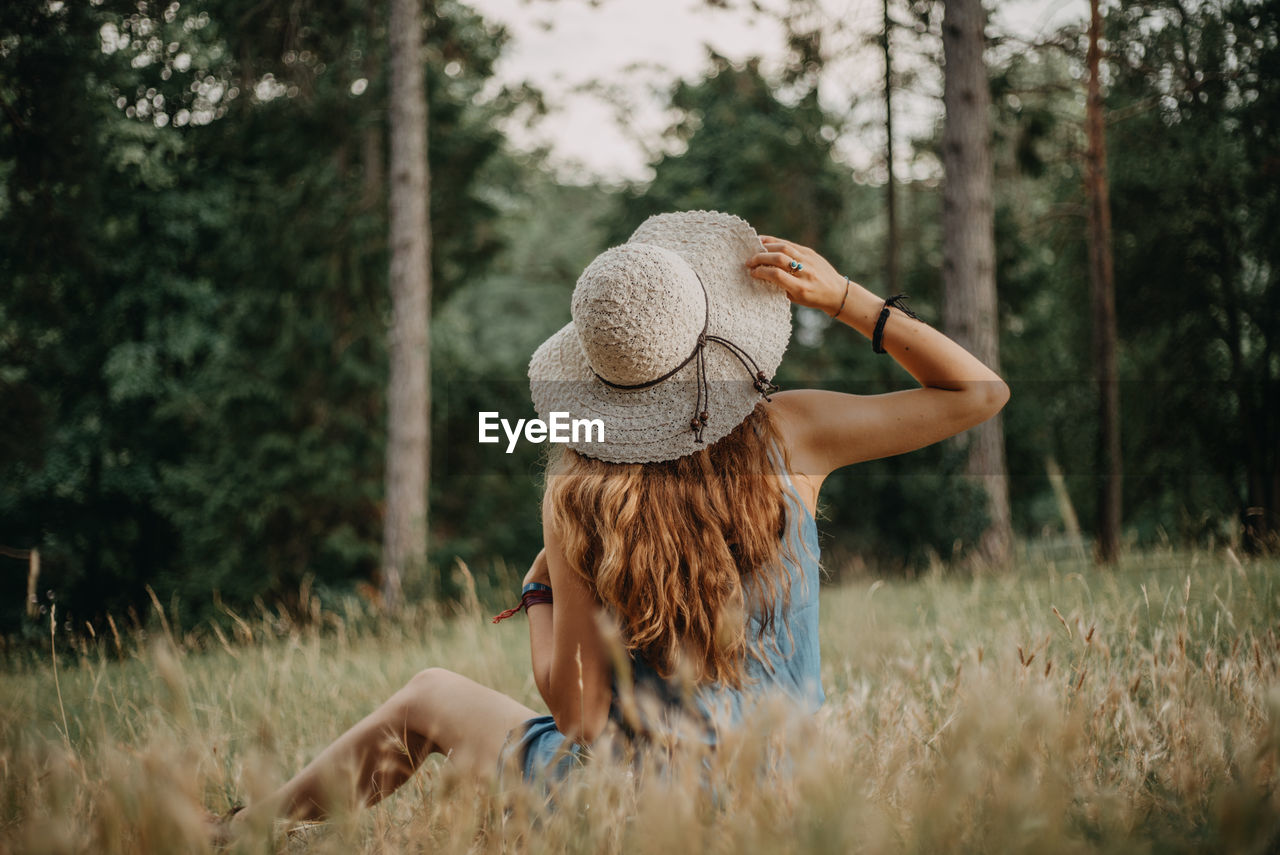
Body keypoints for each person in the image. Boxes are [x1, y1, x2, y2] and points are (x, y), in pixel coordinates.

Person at [211, 210, 1008, 840]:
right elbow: (977, 393)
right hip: (789, 805)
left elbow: (577, 717)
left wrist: (539, 591)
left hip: (634, 813)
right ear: (716, 341)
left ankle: (244, 834)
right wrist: (844, 300)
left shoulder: (581, 491)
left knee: (428, 695)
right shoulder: (789, 436)